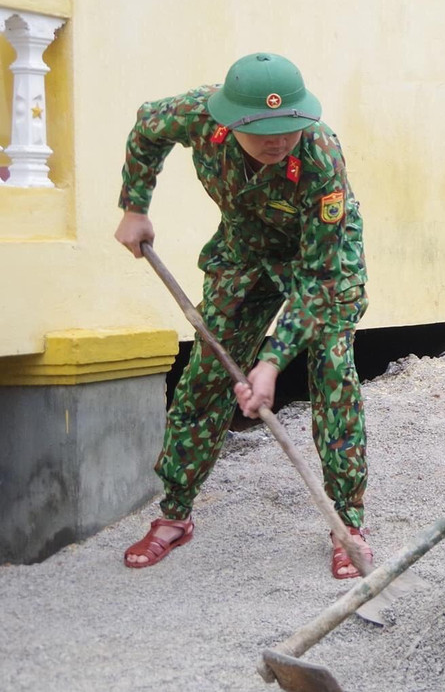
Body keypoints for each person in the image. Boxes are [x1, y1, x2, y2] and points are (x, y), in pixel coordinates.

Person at [115, 52, 372, 578]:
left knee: (333, 380)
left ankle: (347, 524)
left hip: (320, 266)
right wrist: (135, 207)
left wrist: (272, 361)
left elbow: (320, 279)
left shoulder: (321, 158)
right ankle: (175, 515)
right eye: (262, 131)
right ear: (231, 122)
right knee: (205, 380)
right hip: (244, 255)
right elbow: (147, 127)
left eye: (289, 127)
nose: (278, 140)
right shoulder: (199, 115)